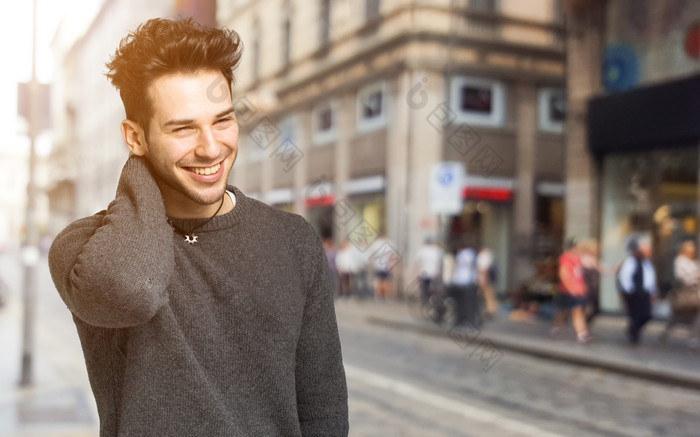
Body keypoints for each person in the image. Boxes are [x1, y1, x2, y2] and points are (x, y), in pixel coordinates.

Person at [47, 18, 348, 436]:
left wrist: (165, 152)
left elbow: (324, 411)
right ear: (134, 138)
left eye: (222, 120)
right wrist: (144, 167)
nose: (211, 147)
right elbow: (130, 290)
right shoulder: (84, 249)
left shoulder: (293, 240)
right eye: (183, 128)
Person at [551, 239, 592, 344]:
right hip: (568, 290)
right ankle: (580, 333)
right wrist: (570, 288)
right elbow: (563, 273)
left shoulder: (577, 258)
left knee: (575, 310)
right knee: (568, 310)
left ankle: (582, 333)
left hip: (578, 289)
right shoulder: (565, 257)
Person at [618, 236, 657, 345]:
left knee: (647, 315)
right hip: (634, 293)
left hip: (645, 293)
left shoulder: (647, 262)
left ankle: (632, 329)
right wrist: (629, 290)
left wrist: (652, 292)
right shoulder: (631, 261)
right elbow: (625, 276)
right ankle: (634, 337)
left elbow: (650, 278)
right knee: (635, 315)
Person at [661, 240, 700, 347]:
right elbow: (685, 278)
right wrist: (695, 276)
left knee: (678, 318)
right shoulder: (680, 261)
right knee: (683, 317)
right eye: (690, 251)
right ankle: (694, 338)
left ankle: (693, 337)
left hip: (693, 293)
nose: (692, 253)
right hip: (688, 294)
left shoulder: (689, 261)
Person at [450, 244, 480, 327]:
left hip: (460, 281)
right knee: (468, 304)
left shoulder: (461, 254)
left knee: (460, 304)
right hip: (467, 282)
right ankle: (468, 320)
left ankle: (461, 320)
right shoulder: (470, 253)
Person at [415, 236, 444, 304]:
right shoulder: (436, 250)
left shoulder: (422, 250)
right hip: (434, 273)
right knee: (433, 289)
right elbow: (439, 263)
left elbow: (417, 262)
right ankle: (431, 300)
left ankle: (425, 301)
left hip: (424, 272)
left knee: (424, 288)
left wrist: (416, 272)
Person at [579, 239, 601, 325]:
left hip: (593, 287)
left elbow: (601, 269)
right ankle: (582, 323)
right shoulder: (582, 258)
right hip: (585, 286)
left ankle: (586, 321)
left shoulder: (593, 259)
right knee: (584, 305)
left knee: (595, 307)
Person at [476, 247, 498, 319]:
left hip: (482, 279)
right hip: (483, 279)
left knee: (487, 295)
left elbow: (483, 269)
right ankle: (490, 310)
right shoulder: (487, 255)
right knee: (487, 295)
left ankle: (490, 310)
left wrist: (483, 279)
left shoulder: (484, 256)